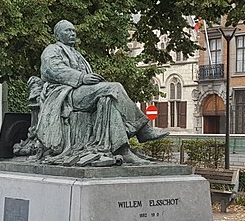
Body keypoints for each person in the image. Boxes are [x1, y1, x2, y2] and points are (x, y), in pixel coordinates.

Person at [30, 20, 169, 166]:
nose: (72, 34)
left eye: (73, 31)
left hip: (80, 92)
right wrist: (82, 77)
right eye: (68, 31)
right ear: (58, 35)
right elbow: (53, 70)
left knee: (108, 101)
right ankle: (143, 129)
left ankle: (123, 150)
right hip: (66, 94)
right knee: (114, 88)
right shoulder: (52, 49)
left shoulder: (77, 54)